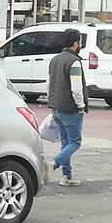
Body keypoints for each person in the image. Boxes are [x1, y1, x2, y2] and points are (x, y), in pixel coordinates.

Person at [43, 28, 89, 186]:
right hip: (71, 109)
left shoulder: (55, 60)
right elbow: (76, 88)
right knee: (75, 142)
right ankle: (53, 164)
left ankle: (67, 177)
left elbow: (49, 84)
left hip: (56, 107)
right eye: (80, 42)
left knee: (65, 143)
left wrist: (52, 101)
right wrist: (81, 105)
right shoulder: (74, 62)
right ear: (76, 44)